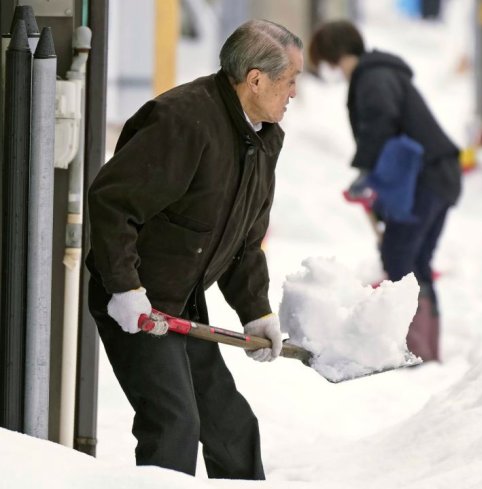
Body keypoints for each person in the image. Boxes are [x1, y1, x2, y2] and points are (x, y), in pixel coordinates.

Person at [85, 20, 303, 479]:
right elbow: (112, 203)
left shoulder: (263, 138)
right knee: (174, 424)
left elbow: (244, 240)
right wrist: (124, 288)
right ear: (256, 79)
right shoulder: (182, 120)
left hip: (183, 299)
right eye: (290, 80)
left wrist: (255, 310)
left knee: (231, 427)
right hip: (137, 299)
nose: (294, 93)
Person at [308, 21, 461, 363]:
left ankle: (417, 350)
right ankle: (425, 351)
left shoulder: (372, 77)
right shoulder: (378, 73)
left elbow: (380, 120)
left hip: (427, 177)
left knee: (400, 257)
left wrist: (365, 172)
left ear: (334, 56)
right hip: (436, 175)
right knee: (413, 259)